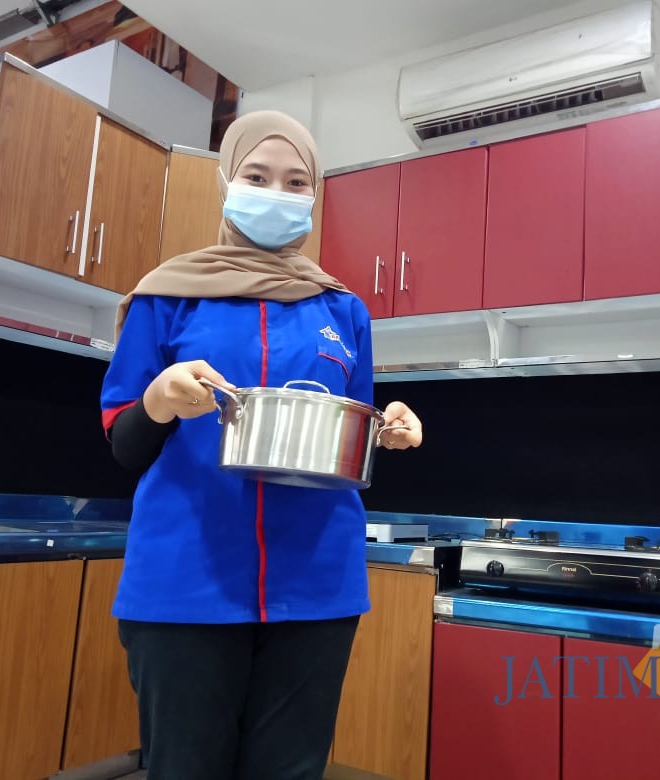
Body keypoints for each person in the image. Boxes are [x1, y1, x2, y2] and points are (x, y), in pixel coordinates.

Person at [99, 110, 423, 780]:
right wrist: (159, 400)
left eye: (295, 181)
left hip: (317, 584)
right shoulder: (168, 296)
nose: (277, 192)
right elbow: (125, 444)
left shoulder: (343, 311)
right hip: (185, 580)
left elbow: (352, 432)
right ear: (227, 182)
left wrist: (388, 427)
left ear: (314, 193)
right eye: (256, 176)